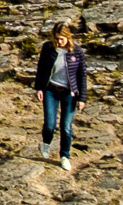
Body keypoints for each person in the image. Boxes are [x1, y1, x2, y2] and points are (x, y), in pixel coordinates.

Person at [34, 24, 88, 170]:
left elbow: (82, 75)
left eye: (62, 39)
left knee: (66, 127)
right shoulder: (48, 48)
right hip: (50, 90)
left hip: (69, 93)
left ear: (68, 37)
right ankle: (46, 143)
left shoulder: (77, 51)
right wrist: (39, 87)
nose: (59, 42)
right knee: (50, 124)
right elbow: (41, 68)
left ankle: (64, 156)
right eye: (56, 39)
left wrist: (82, 98)